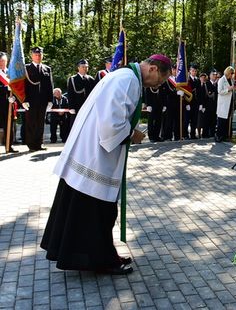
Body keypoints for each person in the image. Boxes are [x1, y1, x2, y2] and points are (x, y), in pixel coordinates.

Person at [40, 55, 172, 275]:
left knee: (95, 209)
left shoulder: (126, 77)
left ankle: (102, 254)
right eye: (161, 79)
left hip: (92, 152)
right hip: (96, 157)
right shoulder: (127, 79)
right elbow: (112, 124)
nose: (159, 85)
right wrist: (133, 134)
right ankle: (100, 260)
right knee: (99, 210)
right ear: (153, 68)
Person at [24, 47, 54, 151]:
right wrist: (24, 100)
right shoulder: (26, 68)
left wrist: (51, 100)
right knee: (31, 123)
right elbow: (23, 86)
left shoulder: (47, 68)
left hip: (43, 101)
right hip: (30, 101)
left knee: (40, 123)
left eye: (40, 55)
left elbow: (50, 85)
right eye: (36, 55)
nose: (38, 57)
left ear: (42, 56)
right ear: (31, 56)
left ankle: (39, 144)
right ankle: (31, 145)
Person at [67, 59, 95, 134]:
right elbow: (70, 94)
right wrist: (71, 107)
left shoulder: (91, 79)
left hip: (88, 107)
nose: (85, 69)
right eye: (83, 67)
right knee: (75, 127)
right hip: (77, 107)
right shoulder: (73, 79)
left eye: (86, 67)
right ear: (78, 68)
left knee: (87, 126)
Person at [0, 52, 18, 152]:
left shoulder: (10, 73)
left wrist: (14, 98)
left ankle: (9, 146)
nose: (3, 63)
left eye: (5, 61)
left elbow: (16, 88)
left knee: (9, 126)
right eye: (1, 61)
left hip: (8, 104)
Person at [215, 66, 234, 142]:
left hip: (229, 103)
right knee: (221, 120)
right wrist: (228, 89)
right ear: (228, 72)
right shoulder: (221, 80)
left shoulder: (231, 80)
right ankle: (218, 136)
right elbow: (219, 91)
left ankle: (224, 136)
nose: (232, 75)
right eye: (231, 73)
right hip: (223, 103)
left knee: (226, 120)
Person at [184, 63, 200, 139]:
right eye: (193, 71)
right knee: (187, 120)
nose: (194, 72)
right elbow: (185, 92)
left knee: (194, 120)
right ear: (190, 71)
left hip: (196, 103)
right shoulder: (187, 80)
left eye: (195, 71)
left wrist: (200, 103)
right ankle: (185, 134)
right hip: (189, 103)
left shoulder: (198, 80)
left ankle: (193, 134)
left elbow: (200, 92)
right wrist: (187, 103)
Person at [205, 69, 219, 137]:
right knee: (207, 120)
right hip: (207, 106)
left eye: (216, 75)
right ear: (209, 75)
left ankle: (212, 133)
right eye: (213, 74)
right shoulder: (206, 84)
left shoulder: (217, 84)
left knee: (213, 121)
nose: (215, 76)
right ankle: (206, 134)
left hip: (215, 106)